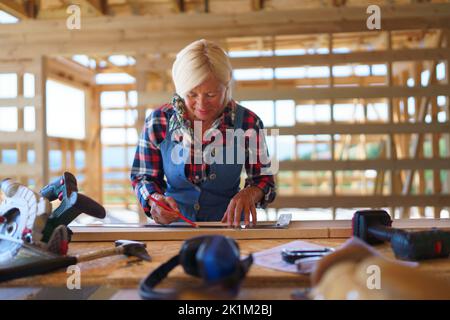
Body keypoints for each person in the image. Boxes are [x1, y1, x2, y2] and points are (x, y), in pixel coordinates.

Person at [130, 39, 276, 227]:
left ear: (227, 83)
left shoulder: (248, 123)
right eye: (192, 94)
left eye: (211, 95)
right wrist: (154, 200)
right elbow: (143, 177)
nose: (201, 104)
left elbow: (265, 181)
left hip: (228, 228)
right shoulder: (158, 122)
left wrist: (250, 193)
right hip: (174, 229)